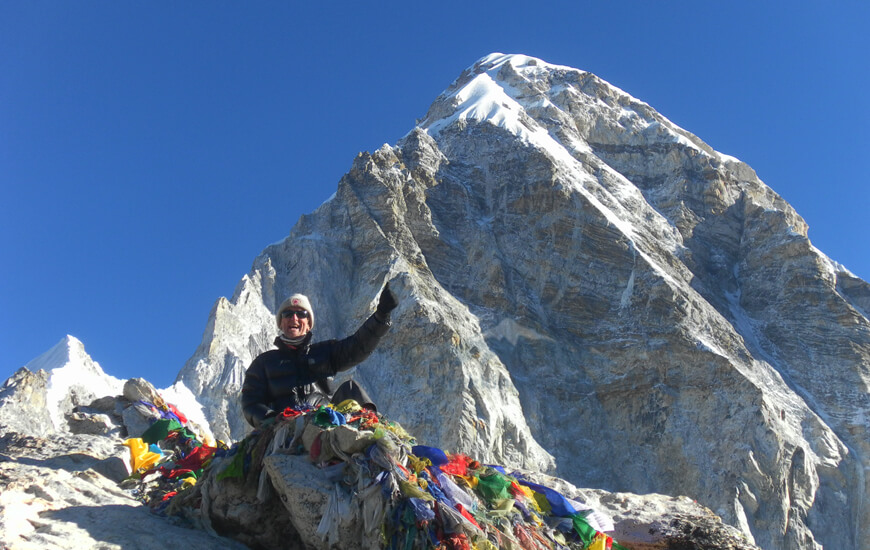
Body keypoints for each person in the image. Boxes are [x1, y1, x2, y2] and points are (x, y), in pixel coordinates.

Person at [241, 283, 398, 428]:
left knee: (351, 388)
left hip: (323, 418)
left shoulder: (325, 351)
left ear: (308, 324)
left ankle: (370, 426)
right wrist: (273, 418)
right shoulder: (263, 363)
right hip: (285, 425)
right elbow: (251, 402)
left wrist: (381, 317)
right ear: (281, 323)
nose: (294, 318)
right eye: (288, 314)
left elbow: (356, 347)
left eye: (301, 314)